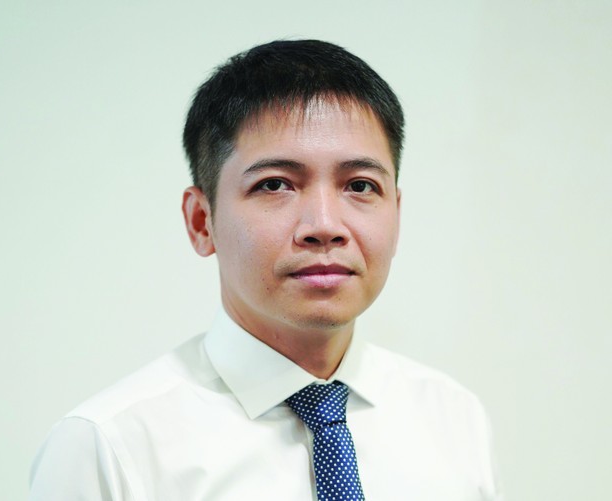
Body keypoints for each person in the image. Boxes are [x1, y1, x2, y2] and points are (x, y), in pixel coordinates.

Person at [29, 39, 504, 500]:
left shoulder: (454, 418)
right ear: (202, 222)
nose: (324, 226)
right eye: (275, 184)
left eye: (360, 185)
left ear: (396, 215)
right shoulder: (111, 447)